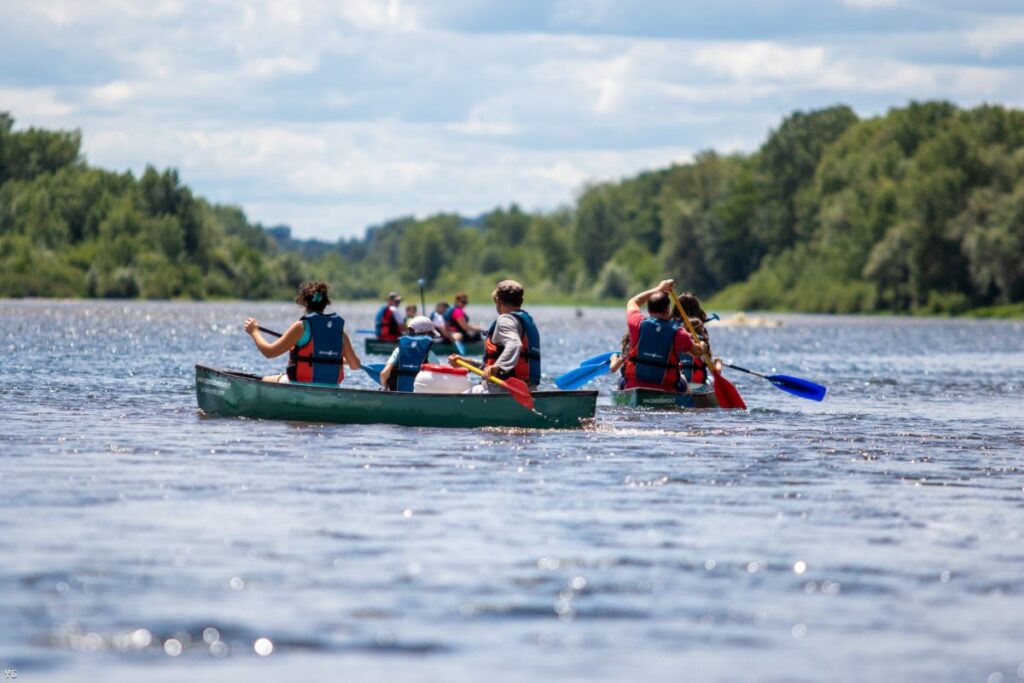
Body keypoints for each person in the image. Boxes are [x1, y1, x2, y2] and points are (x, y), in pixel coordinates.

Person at [244, 281, 360, 384]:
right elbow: (355, 365)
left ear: (304, 303)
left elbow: (269, 352)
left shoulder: (301, 327)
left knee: (266, 380)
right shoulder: (339, 332)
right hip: (332, 390)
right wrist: (335, 360)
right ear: (325, 304)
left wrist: (254, 332)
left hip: (301, 386)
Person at [448, 280, 540, 392]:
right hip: (528, 390)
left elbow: (514, 344)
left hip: (500, 390)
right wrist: (468, 363)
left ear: (497, 301)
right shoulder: (526, 320)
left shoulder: (505, 320)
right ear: (521, 301)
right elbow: (493, 367)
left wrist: (497, 366)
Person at [621, 279, 707, 392]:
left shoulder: (636, 324)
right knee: (683, 379)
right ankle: (688, 403)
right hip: (665, 387)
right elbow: (698, 352)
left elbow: (633, 302)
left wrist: (659, 288)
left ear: (648, 309)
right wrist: (703, 344)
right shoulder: (679, 333)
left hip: (634, 386)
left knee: (621, 380)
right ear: (667, 309)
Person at [379, 316, 443, 391]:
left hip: (398, 392)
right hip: (421, 394)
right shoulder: (429, 354)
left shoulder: (398, 350)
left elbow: (383, 374)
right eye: (431, 334)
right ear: (427, 334)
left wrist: (386, 386)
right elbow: (440, 377)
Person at [673, 291, 712, 385]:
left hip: (676, 380)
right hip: (697, 382)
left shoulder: (672, 327)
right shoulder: (700, 329)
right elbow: (708, 360)